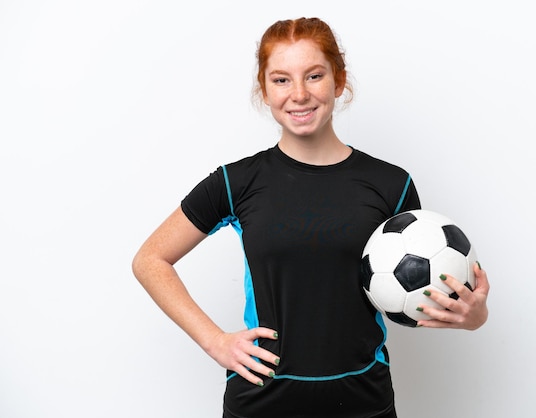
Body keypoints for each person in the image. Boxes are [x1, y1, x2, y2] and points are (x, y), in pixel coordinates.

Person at [132, 17, 489, 418]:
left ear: (339, 81)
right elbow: (150, 260)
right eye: (281, 80)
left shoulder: (392, 184)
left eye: (314, 76)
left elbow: (415, 294)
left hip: (363, 402)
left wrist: (473, 316)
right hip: (260, 403)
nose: (298, 94)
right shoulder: (236, 182)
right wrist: (214, 341)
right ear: (264, 91)